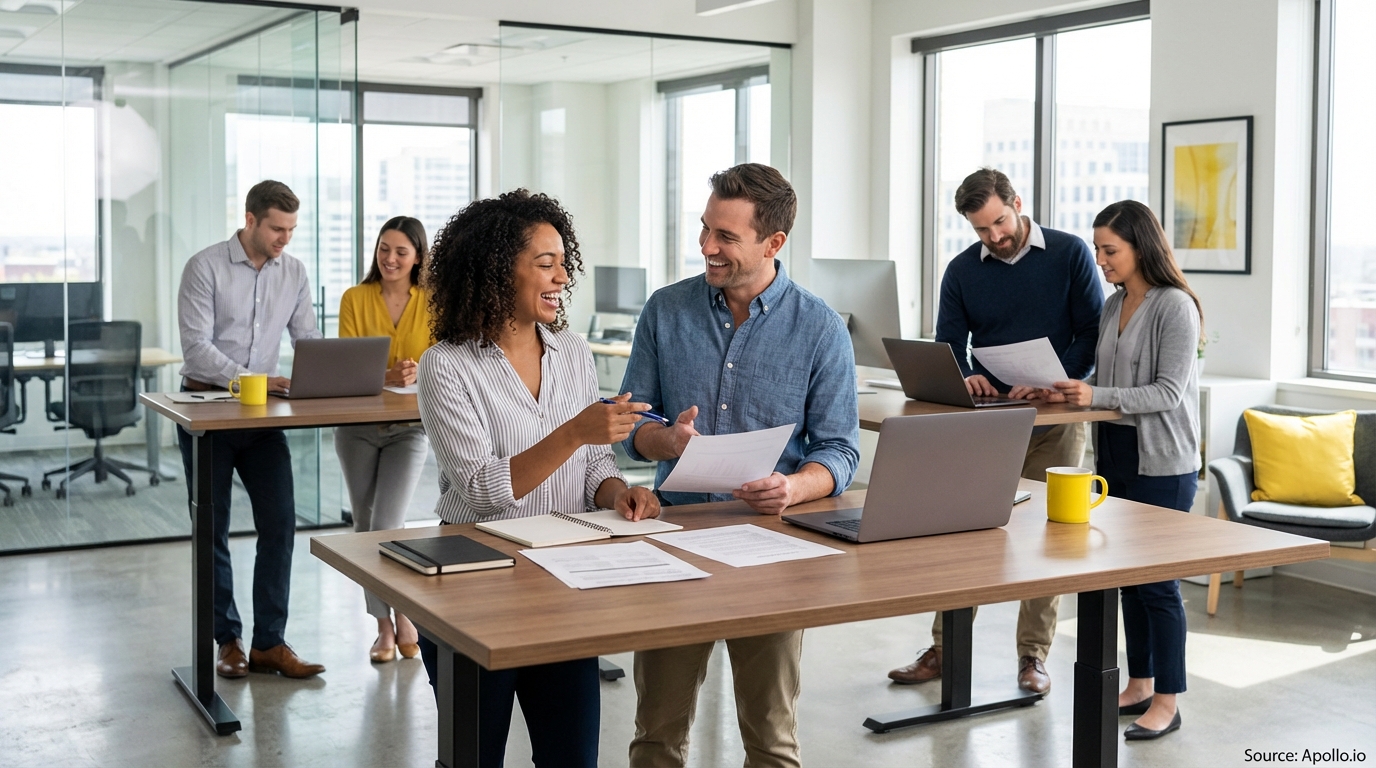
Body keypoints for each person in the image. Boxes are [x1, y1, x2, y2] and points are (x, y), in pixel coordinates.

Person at [621, 163, 861, 768]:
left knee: (771, 742)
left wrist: (794, 487)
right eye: (705, 229)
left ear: (773, 242)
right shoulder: (665, 310)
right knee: (655, 738)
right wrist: (665, 441)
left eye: (726, 237)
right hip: (675, 542)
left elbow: (839, 449)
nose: (707, 246)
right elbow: (632, 428)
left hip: (770, 548)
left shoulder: (820, 328)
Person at [414, 189, 659, 767]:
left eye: (562, 263)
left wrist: (621, 494)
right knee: (473, 758)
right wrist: (573, 432)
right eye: (545, 263)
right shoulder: (445, 365)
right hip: (476, 584)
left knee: (571, 758)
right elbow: (479, 491)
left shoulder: (571, 351)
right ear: (498, 271)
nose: (562, 277)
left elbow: (593, 466)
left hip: (562, 583)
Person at [888, 167, 1103, 694]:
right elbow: (948, 343)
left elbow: (1092, 332)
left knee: (1051, 537)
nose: (994, 236)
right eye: (981, 229)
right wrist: (966, 375)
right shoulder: (963, 270)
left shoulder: (1070, 253)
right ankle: (946, 648)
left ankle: (1034, 656)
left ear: (1017, 203)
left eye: (1000, 222)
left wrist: (1058, 380)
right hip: (989, 423)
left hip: (1055, 419)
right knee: (967, 535)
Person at [1043, 199, 1201, 740]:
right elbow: (1106, 386)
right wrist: (1071, 391)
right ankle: (1140, 683)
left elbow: (1167, 392)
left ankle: (1168, 701)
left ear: (1141, 247)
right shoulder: (1114, 305)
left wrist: (1097, 395)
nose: (1101, 260)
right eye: (1097, 249)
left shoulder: (1175, 306)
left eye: (1110, 250)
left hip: (1163, 462)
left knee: (1158, 585)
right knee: (1129, 583)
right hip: (1114, 454)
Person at [176, 179, 325, 679]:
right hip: (206, 412)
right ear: (250, 220)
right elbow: (196, 349)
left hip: (260, 419)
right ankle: (228, 641)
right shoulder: (205, 267)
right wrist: (251, 380)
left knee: (280, 523)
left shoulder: (294, 272)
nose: (285, 238)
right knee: (212, 529)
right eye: (277, 229)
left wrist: (328, 369)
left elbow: (307, 337)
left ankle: (269, 644)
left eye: (291, 229)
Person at [334, 216, 434, 664]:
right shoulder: (354, 299)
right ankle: (383, 625)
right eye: (383, 249)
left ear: (418, 258)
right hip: (356, 428)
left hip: (409, 428)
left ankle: (405, 613)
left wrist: (419, 371)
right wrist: (386, 375)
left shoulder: (433, 302)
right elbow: (345, 368)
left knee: (387, 524)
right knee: (364, 526)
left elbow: (447, 361)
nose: (390, 259)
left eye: (400, 252)